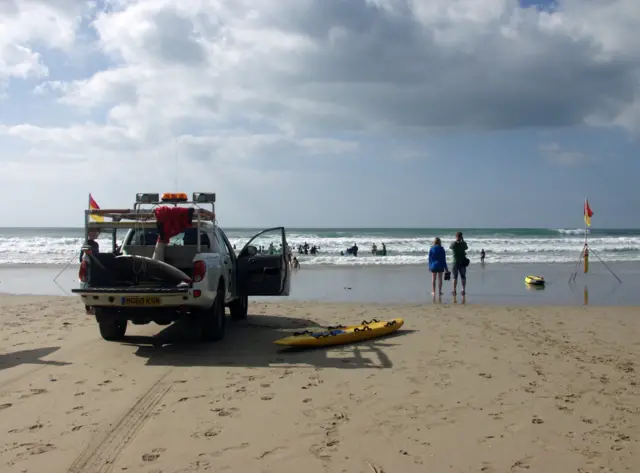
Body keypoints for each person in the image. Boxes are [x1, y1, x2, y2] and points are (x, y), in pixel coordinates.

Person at [450, 231, 469, 296]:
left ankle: (454, 290)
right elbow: (466, 248)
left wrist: (457, 241)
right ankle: (463, 290)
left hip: (455, 262)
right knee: (463, 276)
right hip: (462, 262)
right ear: (461, 237)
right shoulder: (463, 243)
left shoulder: (454, 243)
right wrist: (462, 240)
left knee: (455, 277)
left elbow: (450, 247)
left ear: (456, 236)